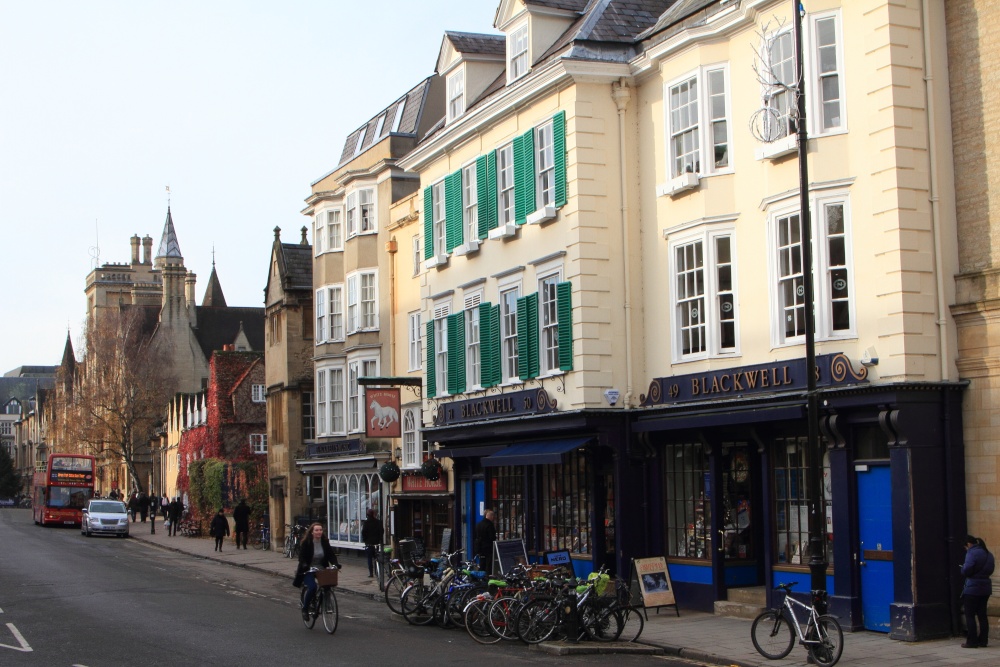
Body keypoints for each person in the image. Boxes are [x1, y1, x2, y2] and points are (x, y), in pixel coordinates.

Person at [293, 523, 340, 621]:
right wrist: (305, 565)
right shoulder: (307, 542)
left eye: (320, 530)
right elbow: (301, 557)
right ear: (312, 532)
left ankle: (326, 606)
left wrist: (335, 564)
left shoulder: (324, 542)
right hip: (308, 569)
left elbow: (331, 554)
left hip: (321, 568)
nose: (319, 532)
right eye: (316, 530)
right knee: (312, 587)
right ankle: (305, 608)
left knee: (327, 586)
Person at [960, 534, 995, 648]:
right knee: (982, 615)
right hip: (985, 587)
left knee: (970, 615)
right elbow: (991, 569)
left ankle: (972, 641)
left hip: (972, 588)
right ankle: (983, 641)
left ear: (968, 544)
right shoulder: (989, 554)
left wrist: (963, 569)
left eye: (965, 547)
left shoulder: (971, 553)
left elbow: (967, 569)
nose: (966, 549)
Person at [361, 508, 384, 577]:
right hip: (376, 543)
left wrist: (365, 540)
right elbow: (382, 531)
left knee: (369, 558)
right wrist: (379, 539)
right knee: (376, 557)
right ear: (374, 514)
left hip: (369, 543)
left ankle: (371, 573)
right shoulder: (378, 522)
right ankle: (377, 572)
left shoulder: (366, 522)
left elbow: (363, 532)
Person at [474, 509, 497, 575]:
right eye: (492, 516)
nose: (493, 517)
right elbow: (492, 537)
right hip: (488, 547)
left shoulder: (479, 524)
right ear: (489, 516)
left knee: (482, 562)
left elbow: (476, 535)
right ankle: (487, 576)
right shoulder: (489, 525)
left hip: (480, 547)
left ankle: (481, 576)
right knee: (489, 564)